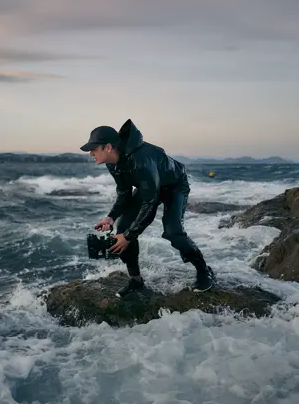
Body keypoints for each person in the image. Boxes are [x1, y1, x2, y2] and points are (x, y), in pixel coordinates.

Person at [80, 119, 215, 298]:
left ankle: (204, 271)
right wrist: (111, 217)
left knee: (173, 231)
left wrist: (129, 236)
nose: (90, 153)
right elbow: (124, 194)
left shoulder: (141, 160)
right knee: (122, 229)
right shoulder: (112, 163)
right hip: (150, 187)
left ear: (108, 147)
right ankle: (136, 280)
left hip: (174, 186)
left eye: (94, 149)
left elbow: (150, 203)